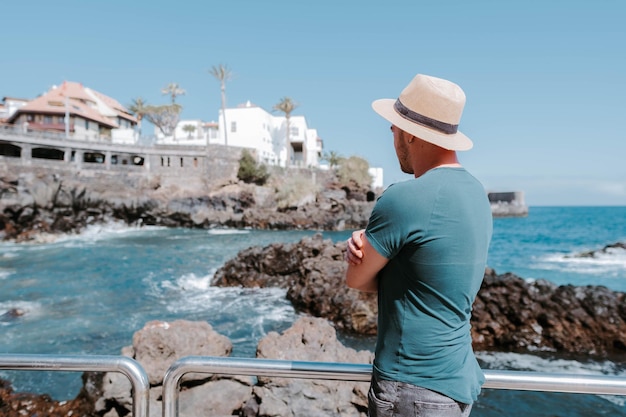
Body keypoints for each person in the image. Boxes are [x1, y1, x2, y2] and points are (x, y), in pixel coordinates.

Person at [345, 73, 492, 417]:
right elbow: (430, 275)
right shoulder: (477, 195)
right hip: (457, 384)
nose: (392, 134)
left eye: (394, 127)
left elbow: (357, 281)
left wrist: (359, 256)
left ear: (410, 133)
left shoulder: (403, 198)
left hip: (411, 388)